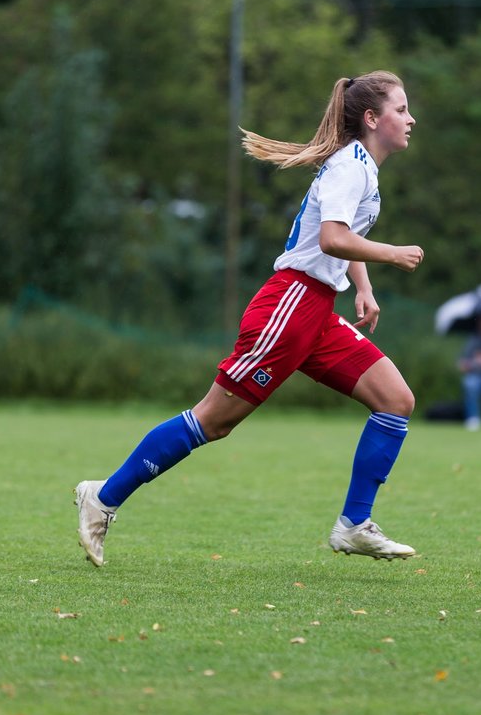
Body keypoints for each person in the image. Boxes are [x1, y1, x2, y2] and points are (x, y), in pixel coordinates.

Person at [74, 70, 424, 567]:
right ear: (372, 118)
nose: (411, 119)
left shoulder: (361, 166)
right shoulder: (352, 166)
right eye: (402, 109)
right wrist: (391, 253)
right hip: (292, 305)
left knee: (395, 400)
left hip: (317, 310)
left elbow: (343, 238)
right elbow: (331, 239)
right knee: (213, 422)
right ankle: (103, 497)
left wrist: (363, 288)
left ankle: (354, 525)